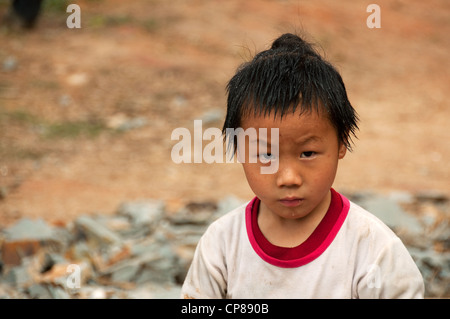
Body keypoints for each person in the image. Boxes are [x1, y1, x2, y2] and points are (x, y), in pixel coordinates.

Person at [180, 33, 424, 298]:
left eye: (307, 153)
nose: (288, 177)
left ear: (341, 143)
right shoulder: (221, 245)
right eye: (265, 155)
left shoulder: (373, 250)